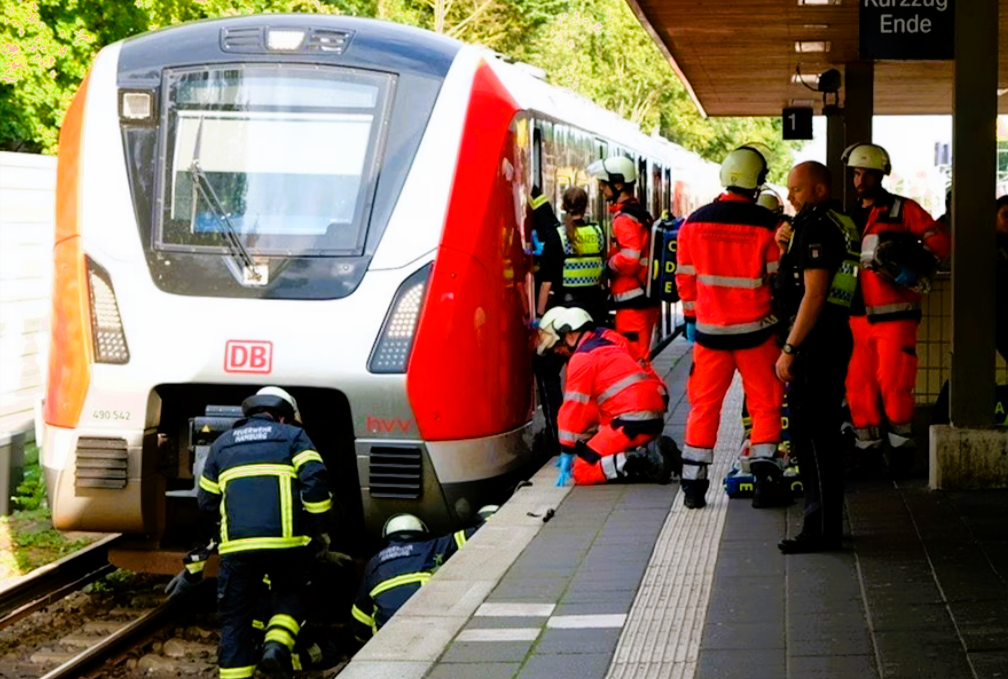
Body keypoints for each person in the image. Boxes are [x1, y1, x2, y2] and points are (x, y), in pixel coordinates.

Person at [196, 386, 333, 679]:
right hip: (287, 544)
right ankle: (275, 647)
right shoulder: (294, 437)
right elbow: (316, 482)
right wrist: (319, 529)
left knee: (236, 620)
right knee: (290, 594)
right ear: (283, 417)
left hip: (236, 549)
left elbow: (206, 501)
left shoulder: (222, 444)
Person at [675, 146, 785, 509]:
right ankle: (766, 480)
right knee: (765, 403)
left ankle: (693, 488)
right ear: (756, 183)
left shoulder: (694, 222)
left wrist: (693, 320)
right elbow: (776, 280)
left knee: (704, 407)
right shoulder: (767, 226)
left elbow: (685, 280)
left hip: (710, 336)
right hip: (757, 334)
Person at [841, 143, 951, 473]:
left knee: (894, 384)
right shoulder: (849, 216)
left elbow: (941, 244)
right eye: (856, 173)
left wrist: (910, 259)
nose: (860, 180)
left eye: (867, 173)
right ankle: (868, 452)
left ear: (881, 174)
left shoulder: (904, 210)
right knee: (857, 386)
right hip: (856, 317)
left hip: (896, 315)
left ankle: (902, 452)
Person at [773, 162, 860, 554]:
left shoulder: (818, 227)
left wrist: (790, 348)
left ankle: (822, 530)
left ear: (820, 190)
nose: (791, 197)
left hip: (817, 342)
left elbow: (814, 294)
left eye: (798, 190)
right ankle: (823, 524)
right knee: (813, 435)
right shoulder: (830, 222)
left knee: (813, 437)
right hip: (826, 336)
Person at [536, 306, 680, 486]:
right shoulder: (608, 341)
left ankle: (645, 460)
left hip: (631, 420)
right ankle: (648, 450)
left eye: (558, 345)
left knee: (582, 470)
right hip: (647, 412)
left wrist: (566, 449)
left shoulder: (582, 358)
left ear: (570, 335)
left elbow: (573, 407)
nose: (558, 352)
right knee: (591, 423)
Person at [350, 507, 498, 643]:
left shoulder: (374, 564)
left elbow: (360, 621)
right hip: (430, 628)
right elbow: (480, 533)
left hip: (386, 639)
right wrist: (490, 514)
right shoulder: (434, 546)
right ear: (421, 532)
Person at [586, 156, 661, 365]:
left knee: (634, 362)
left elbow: (630, 257)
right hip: (644, 297)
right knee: (640, 359)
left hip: (632, 303)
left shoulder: (624, 219)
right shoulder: (640, 214)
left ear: (618, 184)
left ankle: (643, 397)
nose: (601, 188)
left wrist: (608, 266)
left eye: (604, 183)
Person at [536, 186, 608, 323]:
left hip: (566, 309)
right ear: (586, 207)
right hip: (595, 309)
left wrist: (540, 316)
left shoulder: (557, 236)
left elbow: (546, 283)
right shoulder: (597, 232)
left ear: (563, 206)